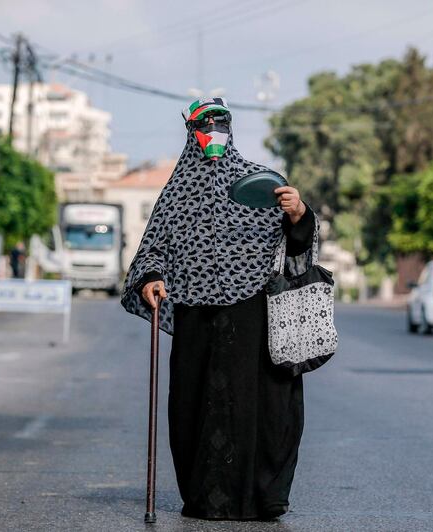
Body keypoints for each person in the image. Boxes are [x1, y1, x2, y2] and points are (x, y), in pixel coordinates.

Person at [120, 97, 318, 521]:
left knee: (262, 410)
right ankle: (205, 499)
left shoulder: (260, 183)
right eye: (205, 124)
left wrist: (299, 214)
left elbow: (295, 248)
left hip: (254, 318)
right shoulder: (175, 193)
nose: (214, 131)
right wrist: (152, 278)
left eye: (221, 122)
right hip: (197, 321)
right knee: (195, 408)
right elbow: (151, 250)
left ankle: (262, 498)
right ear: (190, 130)